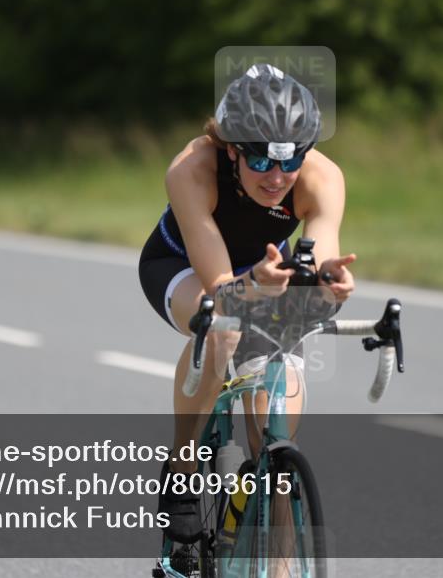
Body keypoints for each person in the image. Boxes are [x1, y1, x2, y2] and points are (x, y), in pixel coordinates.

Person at [138, 63, 356, 543]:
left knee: (273, 439)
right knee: (222, 327)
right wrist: (250, 284)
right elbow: (221, 288)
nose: (277, 178)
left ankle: (277, 549)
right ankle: (181, 470)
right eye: (260, 162)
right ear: (232, 149)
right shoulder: (192, 169)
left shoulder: (322, 177)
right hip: (183, 266)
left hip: (266, 270)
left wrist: (329, 284)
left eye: (290, 161)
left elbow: (320, 258)